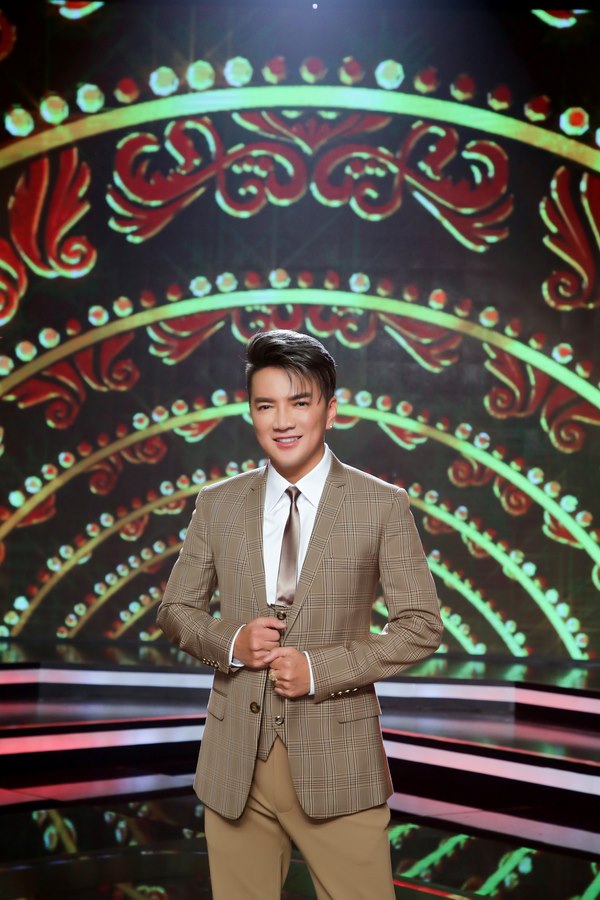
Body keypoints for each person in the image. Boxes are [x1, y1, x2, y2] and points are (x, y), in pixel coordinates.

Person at [157, 329, 443, 899]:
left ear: (330, 411)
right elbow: (176, 610)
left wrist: (318, 670)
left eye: (299, 402)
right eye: (266, 405)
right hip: (234, 763)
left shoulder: (381, 505)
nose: (282, 420)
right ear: (251, 413)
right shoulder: (218, 504)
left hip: (339, 764)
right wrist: (230, 641)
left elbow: (421, 626)